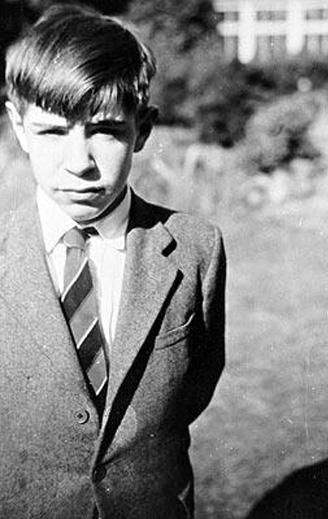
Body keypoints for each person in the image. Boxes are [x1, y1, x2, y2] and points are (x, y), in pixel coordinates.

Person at [0, 5, 226, 519]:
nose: (78, 163)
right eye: (52, 132)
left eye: (104, 130)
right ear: (19, 127)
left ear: (141, 130)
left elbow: (195, 384)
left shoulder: (196, 248)